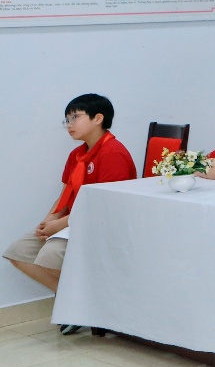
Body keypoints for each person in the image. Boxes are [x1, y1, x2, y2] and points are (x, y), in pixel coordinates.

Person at [4, 93, 136, 296]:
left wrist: (58, 225)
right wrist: (48, 220)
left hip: (96, 223)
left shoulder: (113, 153)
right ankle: (73, 301)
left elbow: (103, 206)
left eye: (76, 117)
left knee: (49, 256)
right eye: (67, 119)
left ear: (98, 118)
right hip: (70, 221)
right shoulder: (77, 154)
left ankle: (80, 304)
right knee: (18, 251)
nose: (69, 124)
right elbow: (66, 193)